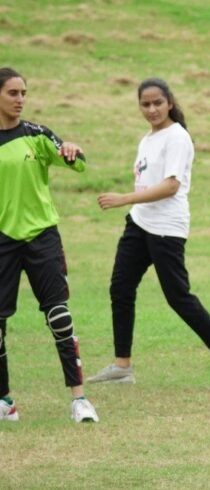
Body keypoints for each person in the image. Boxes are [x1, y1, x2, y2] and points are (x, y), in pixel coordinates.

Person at [87, 78, 210, 392]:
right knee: (120, 288)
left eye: (157, 103)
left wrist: (124, 198)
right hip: (139, 223)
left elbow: (171, 186)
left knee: (178, 297)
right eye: (145, 104)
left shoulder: (177, 137)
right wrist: (133, 207)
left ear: (170, 103)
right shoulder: (148, 138)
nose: (152, 109)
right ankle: (122, 365)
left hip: (166, 228)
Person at [0, 67, 98, 423]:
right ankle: (5, 402)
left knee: (59, 317)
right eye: (13, 93)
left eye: (24, 93)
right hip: (3, 242)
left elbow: (78, 163)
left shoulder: (36, 134)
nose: (20, 99)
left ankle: (80, 400)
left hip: (42, 238)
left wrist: (72, 149)